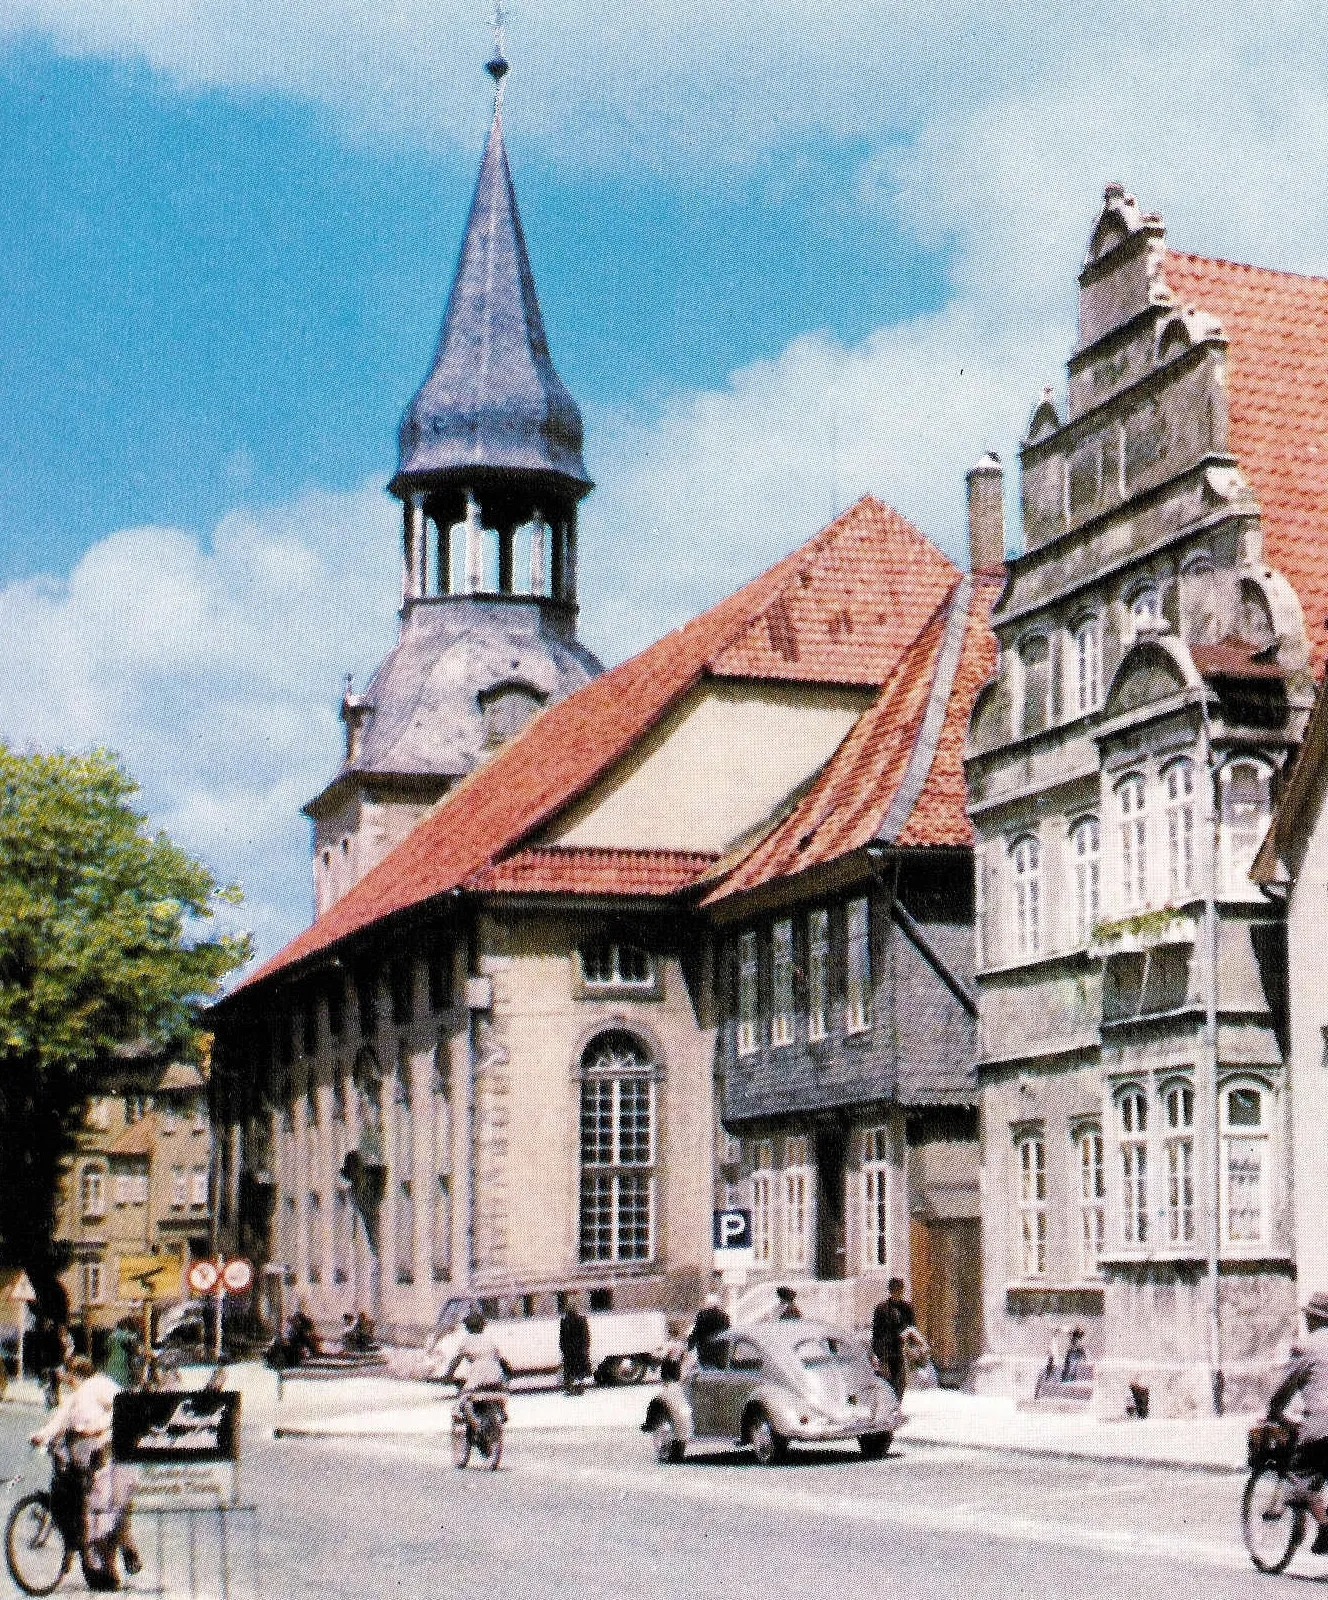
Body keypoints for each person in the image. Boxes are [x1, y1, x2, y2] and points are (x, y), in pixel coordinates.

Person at [31, 1353, 140, 1590]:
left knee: (110, 1510)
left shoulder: (99, 1385)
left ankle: (124, 1553)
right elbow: (60, 1418)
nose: (68, 1381)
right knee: (96, 1511)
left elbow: (122, 1407)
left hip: (115, 1456)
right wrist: (44, 1435)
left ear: (78, 1374)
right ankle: (105, 1568)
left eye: (70, 1376)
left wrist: (95, 1428)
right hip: (92, 1462)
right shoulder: (77, 1395)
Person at [1268, 1290, 1328, 1554]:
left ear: (1312, 1318)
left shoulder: (1306, 1346)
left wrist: (1274, 1411)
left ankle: (1325, 1526)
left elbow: (1285, 1387)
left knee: (1297, 1478)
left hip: (1321, 1426)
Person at [443, 1311, 513, 1433]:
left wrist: (448, 1375)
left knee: (464, 1399)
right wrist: (509, 1373)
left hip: (478, 1378)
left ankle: (476, 1424)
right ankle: (502, 1412)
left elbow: (456, 1360)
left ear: (467, 1327)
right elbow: (502, 1360)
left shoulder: (467, 1341)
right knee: (500, 1394)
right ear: (483, 1326)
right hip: (495, 1376)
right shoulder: (490, 1340)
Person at [871, 1277, 917, 1397]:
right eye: (895, 1289)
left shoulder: (907, 1308)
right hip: (885, 1352)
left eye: (900, 1289)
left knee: (900, 1382)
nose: (898, 1292)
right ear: (890, 1291)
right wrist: (880, 1355)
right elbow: (876, 1333)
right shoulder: (882, 1309)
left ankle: (897, 1407)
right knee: (887, 1383)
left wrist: (911, 1347)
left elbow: (911, 1329)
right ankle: (891, 1409)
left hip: (900, 1351)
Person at [558, 1295, 591, 1395]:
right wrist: (585, 1347)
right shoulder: (579, 1320)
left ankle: (574, 1388)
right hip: (576, 1349)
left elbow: (562, 1337)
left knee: (573, 1369)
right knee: (576, 1370)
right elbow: (586, 1336)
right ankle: (576, 1387)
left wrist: (563, 1348)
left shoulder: (566, 1321)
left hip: (573, 1349)